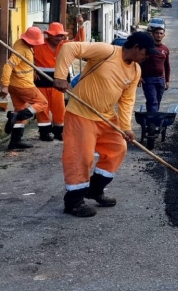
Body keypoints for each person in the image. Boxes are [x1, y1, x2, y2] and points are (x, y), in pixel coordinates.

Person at [52, 32, 155, 218]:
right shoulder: (106, 51)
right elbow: (69, 48)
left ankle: (95, 189)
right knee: (81, 157)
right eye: (146, 52)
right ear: (136, 47)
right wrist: (60, 76)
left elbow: (127, 100)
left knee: (118, 148)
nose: (147, 57)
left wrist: (125, 127)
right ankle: (73, 201)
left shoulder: (135, 70)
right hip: (81, 114)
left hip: (106, 117)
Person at [0, 27, 49, 150]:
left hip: (15, 85)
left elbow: (23, 64)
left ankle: (15, 141)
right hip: (23, 85)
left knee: (20, 107)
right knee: (42, 103)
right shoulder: (22, 50)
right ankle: (18, 115)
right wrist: (4, 85)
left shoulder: (19, 43)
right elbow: (8, 66)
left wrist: (32, 70)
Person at [34, 22, 69, 141]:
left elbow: (80, 42)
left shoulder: (65, 45)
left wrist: (81, 27)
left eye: (61, 36)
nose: (59, 38)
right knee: (43, 108)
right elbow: (27, 55)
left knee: (59, 108)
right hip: (41, 82)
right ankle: (44, 132)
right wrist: (32, 69)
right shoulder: (38, 45)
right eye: (56, 35)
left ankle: (59, 131)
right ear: (49, 35)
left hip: (58, 83)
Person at [139, 26, 171, 114]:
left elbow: (167, 65)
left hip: (161, 79)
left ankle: (151, 120)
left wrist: (167, 80)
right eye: (156, 33)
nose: (159, 35)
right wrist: (139, 76)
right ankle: (153, 122)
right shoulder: (147, 48)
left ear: (164, 35)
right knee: (153, 101)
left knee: (157, 101)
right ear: (153, 34)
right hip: (148, 79)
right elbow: (138, 62)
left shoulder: (165, 49)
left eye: (161, 33)